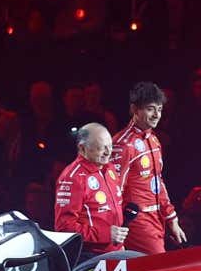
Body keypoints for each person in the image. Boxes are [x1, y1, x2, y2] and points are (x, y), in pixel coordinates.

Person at [111, 82, 186, 254]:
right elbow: (113, 190)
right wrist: (113, 227)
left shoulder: (153, 139)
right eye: (151, 109)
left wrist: (171, 218)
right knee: (159, 268)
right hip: (136, 221)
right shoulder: (123, 144)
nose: (156, 115)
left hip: (156, 218)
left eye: (159, 109)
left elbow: (157, 181)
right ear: (135, 110)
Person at [54, 123, 126, 257]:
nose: (108, 152)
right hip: (90, 256)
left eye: (110, 146)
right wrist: (106, 234)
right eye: (101, 147)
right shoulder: (72, 178)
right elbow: (64, 228)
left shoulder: (109, 168)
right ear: (82, 148)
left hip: (115, 251)